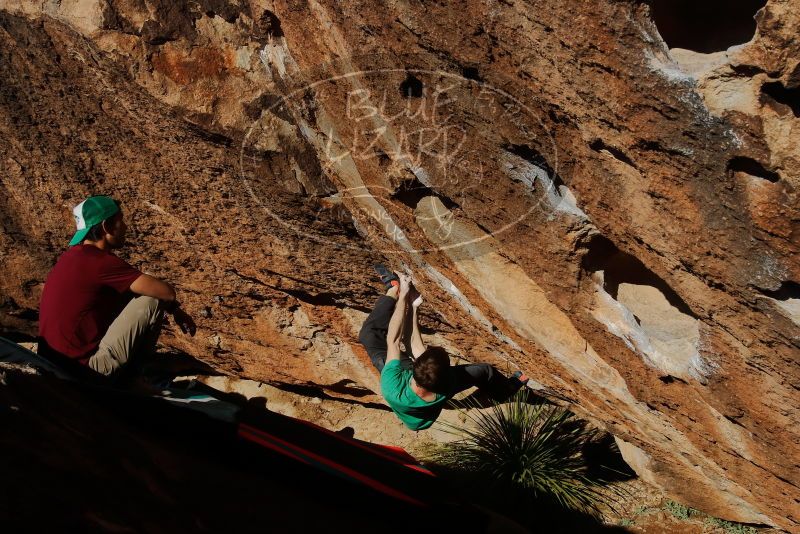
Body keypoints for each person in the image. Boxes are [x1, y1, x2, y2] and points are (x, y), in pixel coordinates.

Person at [38, 195, 196, 379]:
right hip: (82, 370)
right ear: (106, 226)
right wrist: (174, 308)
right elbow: (166, 292)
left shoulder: (72, 258)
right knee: (151, 300)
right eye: (121, 220)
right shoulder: (100, 262)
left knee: (129, 296)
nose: (126, 227)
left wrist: (175, 309)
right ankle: (133, 381)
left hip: (53, 363)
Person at [358, 266, 526, 430]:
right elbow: (411, 344)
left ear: (413, 367)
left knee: (368, 334)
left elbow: (394, 340)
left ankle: (392, 289)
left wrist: (405, 297)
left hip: (415, 421)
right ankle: (505, 390)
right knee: (484, 371)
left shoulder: (392, 387)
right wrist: (413, 306)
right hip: (429, 396)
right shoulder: (449, 384)